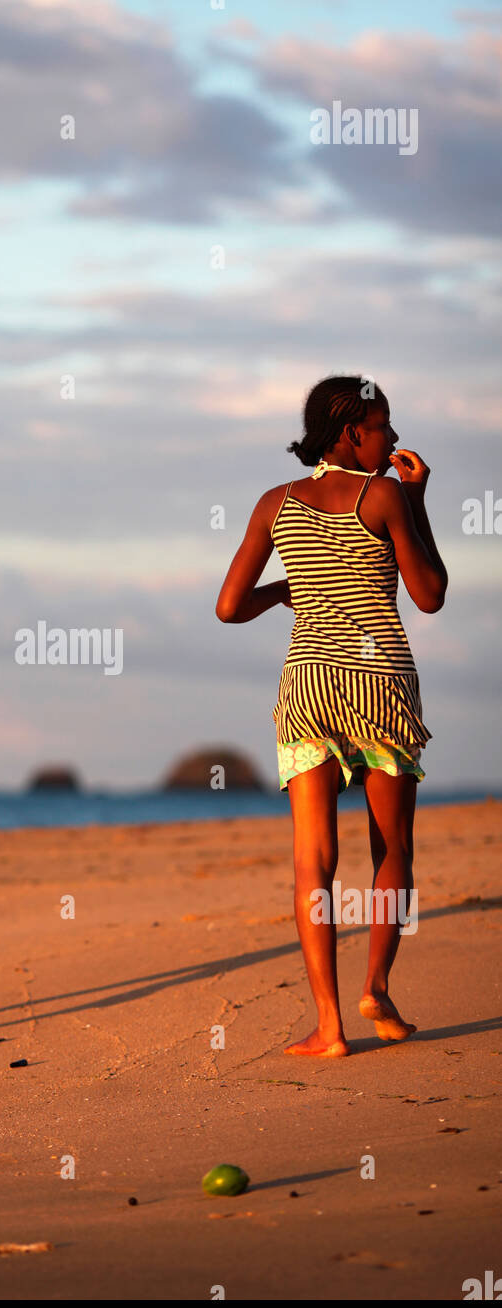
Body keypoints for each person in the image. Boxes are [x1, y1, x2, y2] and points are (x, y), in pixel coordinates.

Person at [216, 377, 447, 1056]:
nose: (394, 438)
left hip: (310, 682)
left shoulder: (273, 504)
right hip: (379, 680)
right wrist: (418, 505)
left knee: (312, 863)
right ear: (350, 434)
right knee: (391, 849)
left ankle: (328, 1025)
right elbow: (429, 595)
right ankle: (376, 985)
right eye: (384, 427)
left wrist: (289, 589)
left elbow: (228, 607)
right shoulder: (385, 497)